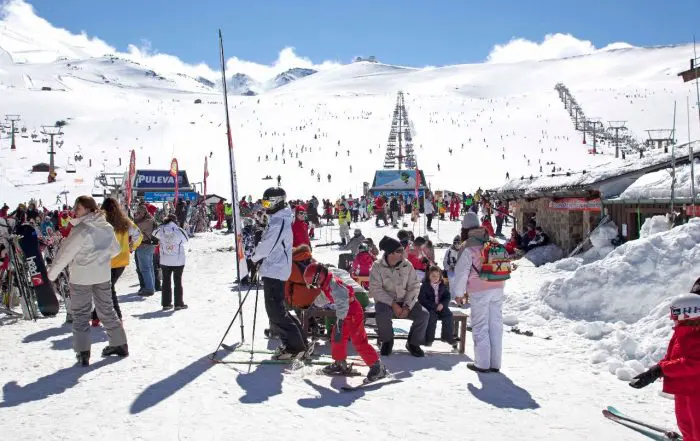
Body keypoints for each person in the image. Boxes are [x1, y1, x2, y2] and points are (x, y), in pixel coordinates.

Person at [47, 196, 127, 366]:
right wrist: (100, 259)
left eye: (78, 208)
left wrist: (50, 275)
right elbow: (115, 250)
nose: (74, 211)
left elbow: (64, 254)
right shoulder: (106, 227)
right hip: (102, 276)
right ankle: (120, 344)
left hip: (81, 277)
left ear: (89, 209)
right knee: (106, 309)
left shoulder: (81, 229)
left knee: (81, 314)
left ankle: (83, 352)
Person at [629, 292, 700, 441]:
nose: (671, 318)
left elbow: (693, 362)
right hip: (683, 389)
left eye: (674, 314)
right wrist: (654, 371)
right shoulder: (680, 333)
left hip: (697, 392)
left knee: (697, 428)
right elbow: (672, 357)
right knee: (685, 425)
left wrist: (661, 369)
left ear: (687, 314)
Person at [303, 263, 388, 381]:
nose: (315, 286)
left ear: (319, 277)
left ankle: (377, 367)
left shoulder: (334, 284)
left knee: (358, 340)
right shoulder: (326, 283)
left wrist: (340, 320)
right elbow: (325, 297)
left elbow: (343, 301)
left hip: (352, 312)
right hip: (344, 313)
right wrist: (314, 304)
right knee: (337, 338)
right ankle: (339, 363)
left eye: (314, 283)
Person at [252, 187, 309, 360]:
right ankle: (300, 344)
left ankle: (295, 347)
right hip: (274, 267)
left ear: (278, 202)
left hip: (275, 269)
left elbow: (268, 245)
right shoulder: (278, 218)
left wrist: (254, 257)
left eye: (268, 203)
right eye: (264, 203)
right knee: (278, 310)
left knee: (276, 312)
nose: (266, 206)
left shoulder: (279, 222)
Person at [454, 212, 506, 373]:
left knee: (480, 325)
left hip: (479, 290)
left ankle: (482, 363)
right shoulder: (492, 241)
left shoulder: (468, 245)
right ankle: (495, 363)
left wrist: (459, 293)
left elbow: (462, 272)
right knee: (495, 325)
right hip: (497, 286)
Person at [369, 236, 429, 357]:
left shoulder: (407, 265)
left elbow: (414, 286)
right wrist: (393, 304)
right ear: (390, 253)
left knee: (423, 314)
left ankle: (413, 343)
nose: (403, 253)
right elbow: (375, 290)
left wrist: (407, 306)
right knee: (381, 313)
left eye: (402, 250)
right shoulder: (377, 266)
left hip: (405, 300)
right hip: (386, 303)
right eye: (399, 251)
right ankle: (387, 341)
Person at [90, 197, 142, 327]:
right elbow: (138, 234)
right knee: (106, 288)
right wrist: (131, 247)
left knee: (107, 288)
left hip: (105, 260)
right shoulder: (125, 222)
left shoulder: (100, 222)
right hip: (121, 260)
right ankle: (96, 316)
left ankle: (116, 317)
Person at [153, 214, 189, 310]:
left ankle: (166, 304)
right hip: (178, 260)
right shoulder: (179, 230)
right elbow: (186, 240)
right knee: (177, 281)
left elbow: (154, 233)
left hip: (165, 260)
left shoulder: (161, 230)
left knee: (166, 281)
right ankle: (178, 303)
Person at [418, 266, 455, 347]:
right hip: (429, 308)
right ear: (428, 276)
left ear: (440, 276)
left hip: (441, 307)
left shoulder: (442, 285)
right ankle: (429, 339)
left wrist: (442, 304)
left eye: (437, 276)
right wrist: (435, 306)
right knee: (432, 317)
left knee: (448, 315)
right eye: (433, 276)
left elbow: (447, 296)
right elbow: (422, 300)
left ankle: (447, 337)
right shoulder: (425, 286)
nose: (435, 278)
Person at [134, 204, 158, 296]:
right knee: (150, 267)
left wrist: (135, 219)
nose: (137, 214)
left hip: (144, 245)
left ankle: (149, 288)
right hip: (150, 245)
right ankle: (152, 286)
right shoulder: (151, 218)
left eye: (139, 212)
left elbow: (135, 227)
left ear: (143, 212)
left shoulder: (145, 221)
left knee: (144, 268)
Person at [443, 235, 462, 300]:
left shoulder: (463, 250)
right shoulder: (449, 250)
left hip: (460, 270)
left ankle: (460, 296)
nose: (457, 245)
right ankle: (453, 296)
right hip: (451, 269)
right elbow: (445, 261)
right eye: (455, 243)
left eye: (458, 243)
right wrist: (448, 268)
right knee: (452, 279)